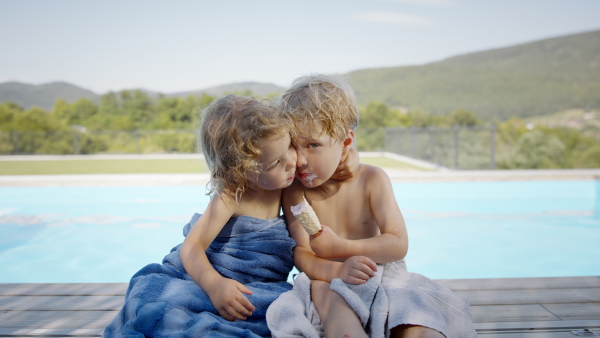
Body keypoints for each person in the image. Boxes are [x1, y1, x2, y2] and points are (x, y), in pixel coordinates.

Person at [104, 94, 358, 337]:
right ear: (240, 172)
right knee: (163, 306)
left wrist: (351, 158)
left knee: (284, 311)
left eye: (289, 148)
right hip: (212, 276)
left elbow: (302, 245)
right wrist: (215, 286)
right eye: (274, 163)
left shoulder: (286, 185)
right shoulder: (231, 195)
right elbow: (192, 247)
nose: (292, 163)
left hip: (261, 285)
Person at [267, 75, 476, 338]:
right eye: (294, 147)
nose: (301, 161)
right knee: (333, 308)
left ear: (344, 143)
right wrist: (338, 269)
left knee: (416, 317)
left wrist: (341, 248)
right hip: (325, 278)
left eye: (313, 145)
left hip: (379, 273)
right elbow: (303, 255)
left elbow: (398, 245)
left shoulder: (372, 180)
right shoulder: (295, 190)